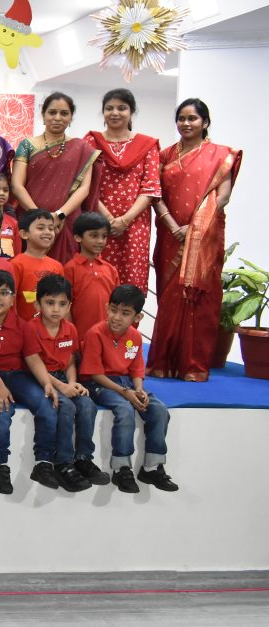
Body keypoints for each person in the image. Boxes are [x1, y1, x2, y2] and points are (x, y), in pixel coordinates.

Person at [148, 99, 242, 381]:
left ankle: (193, 365)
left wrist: (194, 227)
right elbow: (155, 194)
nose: (186, 123)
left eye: (192, 118)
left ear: (205, 122)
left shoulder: (221, 154)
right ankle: (163, 362)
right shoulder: (164, 155)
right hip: (170, 234)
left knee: (198, 297)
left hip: (204, 235)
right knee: (169, 296)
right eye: (181, 118)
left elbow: (222, 196)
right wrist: (173, 225)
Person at [0, 269, 71, 494]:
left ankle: (43, 462)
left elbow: (32, 358)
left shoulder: (22, 324)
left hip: (17, 375)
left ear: (13, 299)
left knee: (47, 404)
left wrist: (46, 383)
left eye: (4, 293)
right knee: (1, 409)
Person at [79, 285, 177, 493]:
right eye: (113, 310)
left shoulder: (136, 337)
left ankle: (151, 467)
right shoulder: (95, 333)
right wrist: (125, 393)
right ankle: (121, 468)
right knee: (124, 410)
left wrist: (139, 389)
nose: (116, 317)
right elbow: (95, 374)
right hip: (100, 383)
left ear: (137, 317)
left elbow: (136, 369)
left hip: (127, 384)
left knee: (159, 410)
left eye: (125, 313)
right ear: (107, 307)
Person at [82, 88, 161, 292]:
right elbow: (84, 184)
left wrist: (125, 220)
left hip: (135, 223)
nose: (115, 113)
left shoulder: (147, 145)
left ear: (131, 112)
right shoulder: (91, 142)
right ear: (103, 112)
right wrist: (108, 219)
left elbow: (150, 187)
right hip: (97, 220)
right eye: (109, 108)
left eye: (122, 108)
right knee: (95, 282)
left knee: (130, 284)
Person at [10, 93, 99, 263]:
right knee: (28, 266)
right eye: (52, 112)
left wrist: (60, 215)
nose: (57, 118)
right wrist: (40, 217)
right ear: (43, 115)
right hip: (30, 220)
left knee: (64, 269)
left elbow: (84, 189)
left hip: (66, 220)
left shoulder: (82, 148)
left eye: (64, 113)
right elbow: (17, 186)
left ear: (71, 118)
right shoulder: (27, 145)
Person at [29, 275, 98, 490]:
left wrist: (73, 383)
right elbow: (35, 366)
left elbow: (69, 362)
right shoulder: (31, 329)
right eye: (50, 303)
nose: (56, 309)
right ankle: (63, 462)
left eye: (62, 304)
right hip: (40, 379)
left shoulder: (71, 329)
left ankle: (83, 458)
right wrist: (62, 387)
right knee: (66, 406)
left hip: (62, 379)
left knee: (87, 405)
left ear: (69, 306)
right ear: (37, 304)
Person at [63, 212, 117, 334]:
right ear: (78, 237)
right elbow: (65, 306)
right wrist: (71, 335)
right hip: (80, 335)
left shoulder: (111, 270)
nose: (100, 241)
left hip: (107, 335)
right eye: (94, 236)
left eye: (104, 236)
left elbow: (116, 305)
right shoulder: (70, 269)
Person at [9, 209, 64, 321]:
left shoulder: (57, 266)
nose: (47, 232)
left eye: (51, 228)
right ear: (24, 234)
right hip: (24, 327)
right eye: (40, 228)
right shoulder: (15, 265)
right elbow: (10, 302)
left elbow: (62, 299)